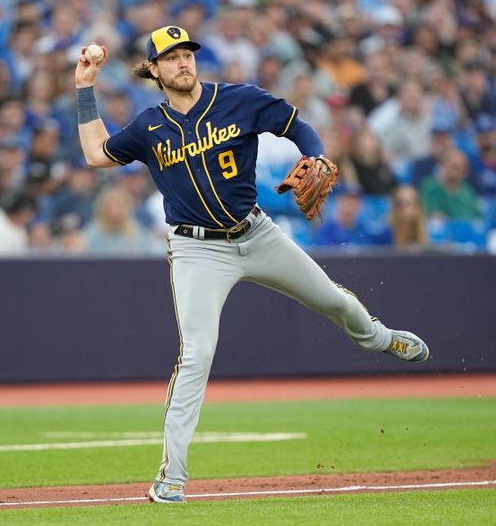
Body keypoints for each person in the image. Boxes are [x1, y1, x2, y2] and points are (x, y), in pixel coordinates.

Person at [74, 25, 430, 504]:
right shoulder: (149, 127)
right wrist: (84, 86)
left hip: (257, 233)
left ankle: (380, 338)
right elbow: (97, 154)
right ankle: (172, 476)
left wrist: (316, 154)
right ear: (154, 70)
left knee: (331, 299)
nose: (184, 62)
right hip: (197, 250)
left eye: (188, 53)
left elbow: (296, 124)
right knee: (197, 354)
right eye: (172, 57)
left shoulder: (238, 99)